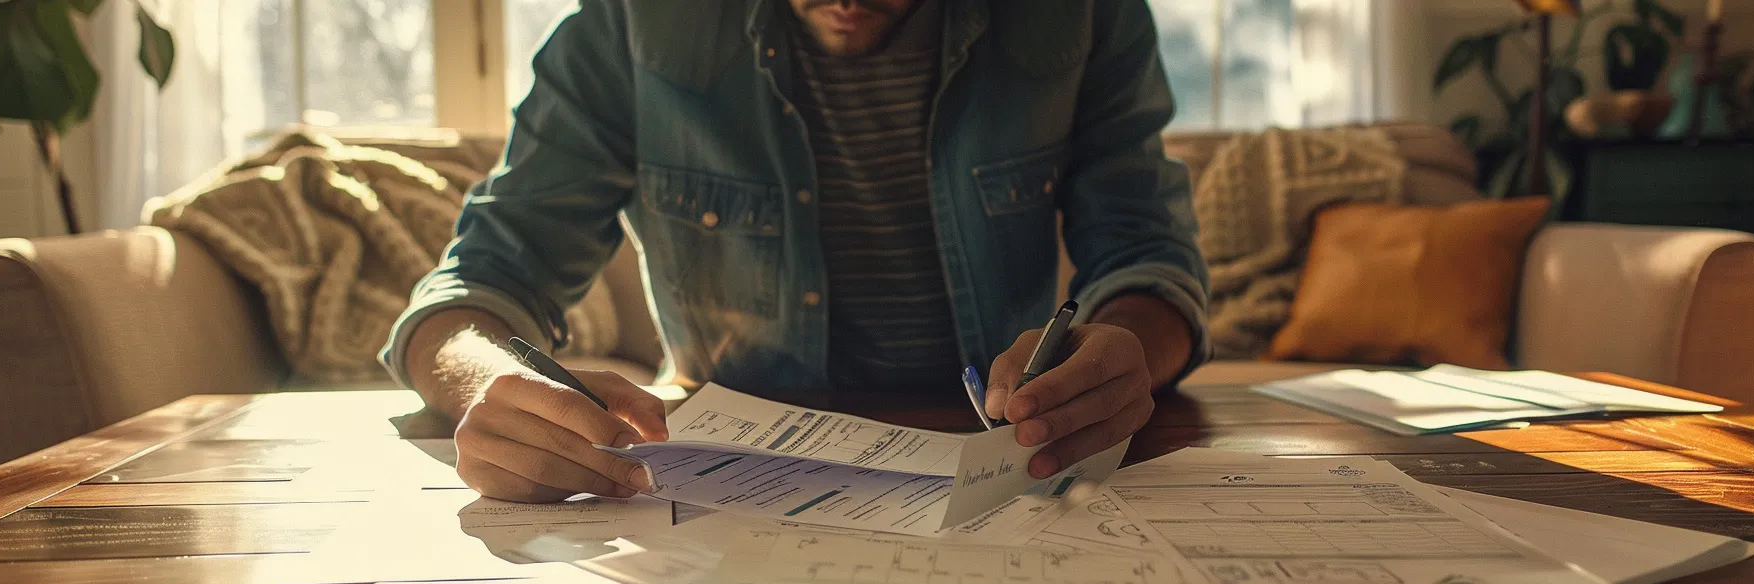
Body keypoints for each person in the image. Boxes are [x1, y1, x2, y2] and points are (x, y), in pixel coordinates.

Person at [383, 0, 1210, 503]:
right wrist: (492, 382)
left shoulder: (1083, 17)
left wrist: (1126, 346)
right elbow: (479, 281)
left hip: (1001, 464)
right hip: (721, 484)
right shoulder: (630, 24)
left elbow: (1145, 254)